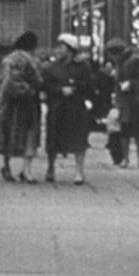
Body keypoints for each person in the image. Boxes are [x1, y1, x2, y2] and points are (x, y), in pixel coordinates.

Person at [0, 31, 43, 183]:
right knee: (29, 135)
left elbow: (6, 81)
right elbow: (12, 82)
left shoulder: (10, 60)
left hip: (9, 103)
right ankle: (25, 170)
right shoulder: (28, 61)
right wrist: (30, 90)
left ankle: (8, 167)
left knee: (8, 134)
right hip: (24, 103)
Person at [42, 33, 95, 184]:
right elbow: (45, 84)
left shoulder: (83, 66)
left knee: (79, 139)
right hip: (57, 106)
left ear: (70, 49)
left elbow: (90, 85)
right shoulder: (53, 66)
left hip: (76, 106)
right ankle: (50, 168)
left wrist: (75, 88)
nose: (59, 50)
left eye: (62, 47)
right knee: (53, 139)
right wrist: (59, 89)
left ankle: (79, 170)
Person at [105, 38, 139, 169]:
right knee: (125, 130)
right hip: (125, 101)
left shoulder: (134, 60)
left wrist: (131, 84)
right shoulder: (121, 62)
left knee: (136, 130)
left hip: (135, 101)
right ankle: (127, 158)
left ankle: (137, 158)